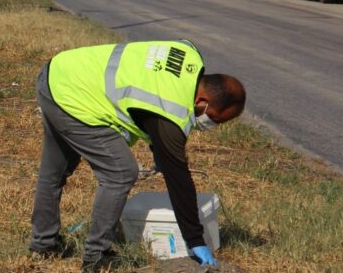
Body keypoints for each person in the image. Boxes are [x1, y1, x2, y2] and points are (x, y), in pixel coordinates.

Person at [29, 40, 246, 272]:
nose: (210, 124)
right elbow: (179, 180)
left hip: (59, 73)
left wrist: (160, 150)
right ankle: (96, 257)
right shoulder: (171, 109)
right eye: (214, 119)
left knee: (54, 171)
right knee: (120, 172)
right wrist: (195, 240)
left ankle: (43, 245)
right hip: (74, 98)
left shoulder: (189, 52)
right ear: (202, 101)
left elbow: (149, 86)